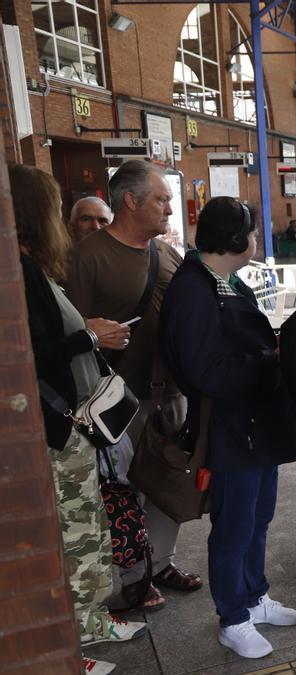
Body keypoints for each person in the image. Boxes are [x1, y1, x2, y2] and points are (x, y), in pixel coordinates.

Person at [159, 197, 296, 659]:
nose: (256, 241)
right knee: (234, 526)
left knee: (258, 518)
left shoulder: (223, 282)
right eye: (251, 231)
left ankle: (253, 596)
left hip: (255, 423)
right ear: (234, 239)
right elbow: (204, 370)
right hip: (230, 427)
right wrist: (270, 362)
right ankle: (233, 618)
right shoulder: (193, 289)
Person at [14, 164, 146, 675]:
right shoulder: (21, 274)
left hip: (73, 426)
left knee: (90, 527)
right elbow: (30, 351)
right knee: (73, 536)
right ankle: (73, 646)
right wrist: (90, 338)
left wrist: (86, 330)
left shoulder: (34, 268)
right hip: (57, 425)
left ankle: (91, 620)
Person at [65, 160, 202, 611]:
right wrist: (90, 327)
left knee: (170, 478)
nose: (168, 207)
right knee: (125, 488)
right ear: (131, 201)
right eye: (161, 199)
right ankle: (132, 575)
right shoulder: (88, 257)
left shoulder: (166, 252)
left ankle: (160, 562)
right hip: (117, 398)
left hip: (171, 391)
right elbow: (68, 328)